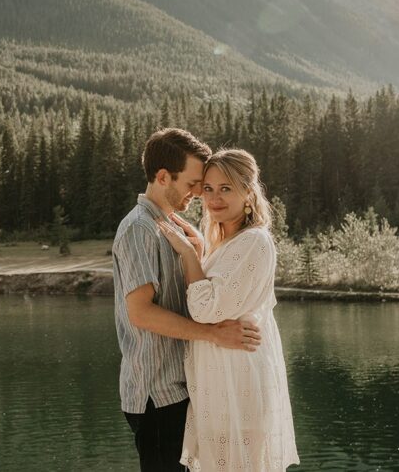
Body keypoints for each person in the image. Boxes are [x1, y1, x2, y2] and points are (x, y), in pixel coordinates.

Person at [113, 129, 262, 472]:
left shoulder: (168, 226)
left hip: (178, 390)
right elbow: (141, 313)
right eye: (193, 183)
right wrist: (213, 334)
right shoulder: (140, 228)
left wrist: (199, 253)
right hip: (157, 394)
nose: (199, 193)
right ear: (163, 177)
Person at [159, 148, 298, 471]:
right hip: (222, 385)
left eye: (226, 189)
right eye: (207, 189)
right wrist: (201, 250)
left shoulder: (254, 242)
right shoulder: (227, 242)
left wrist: (189, 256)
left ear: (248, 191)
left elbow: (205, 308)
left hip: (240, 386)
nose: (214, 199)